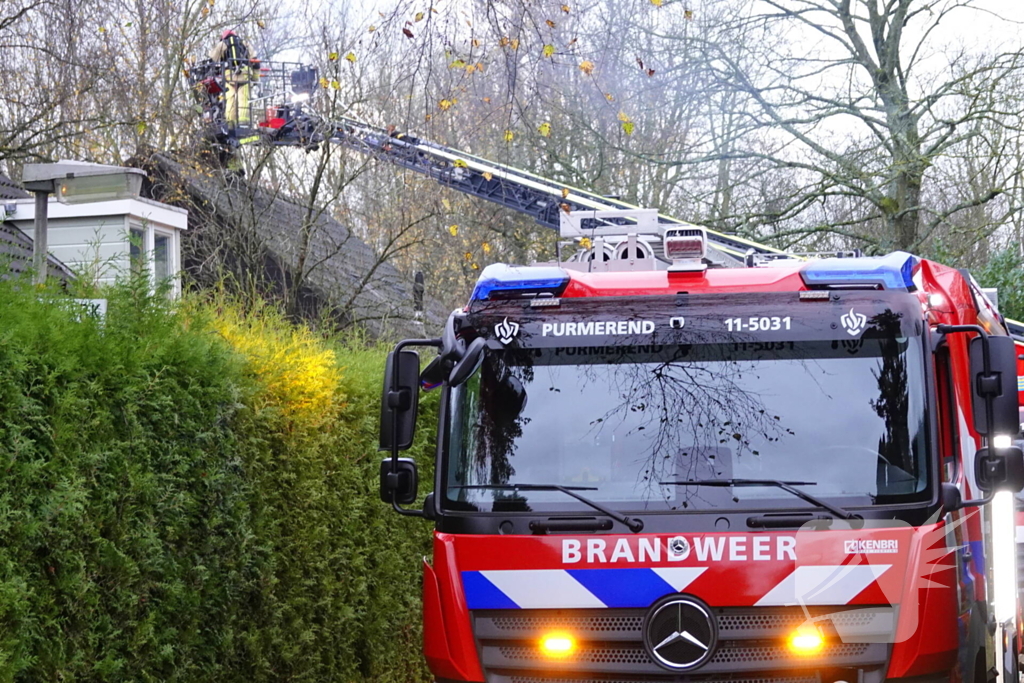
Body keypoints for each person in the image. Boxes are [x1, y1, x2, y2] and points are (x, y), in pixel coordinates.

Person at [209, 29, 257, 128]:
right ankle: (244, 123)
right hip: (245, 75)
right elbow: (255, 61)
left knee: (230, 99)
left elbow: (212, 59)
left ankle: (230, 124)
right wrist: (255, 78)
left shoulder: (222, 45)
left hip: (229, 77)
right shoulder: (245, 44)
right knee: (244, 99)